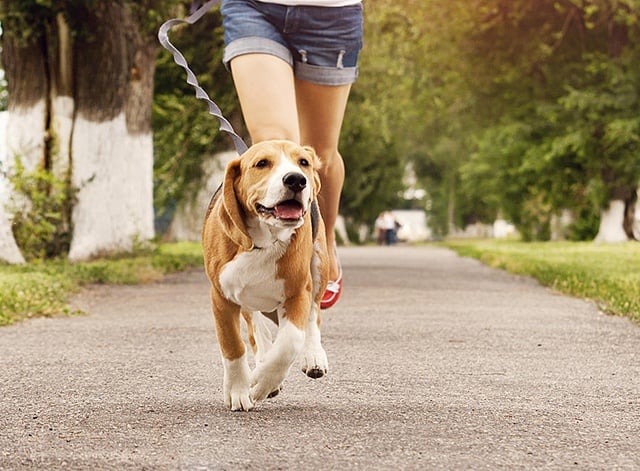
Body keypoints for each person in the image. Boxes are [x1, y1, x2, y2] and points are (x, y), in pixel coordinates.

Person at [220, 0, 364, 309]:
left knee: (318, 155)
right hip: (252, 8)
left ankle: (324, 241)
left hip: (332, 15)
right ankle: (280, 262)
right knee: (278, 146)